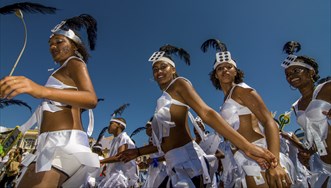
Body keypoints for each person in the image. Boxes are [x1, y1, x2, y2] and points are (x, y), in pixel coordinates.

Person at [119, 44, 276, 188]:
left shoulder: (179, 84)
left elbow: (206, 112)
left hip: (187, 165)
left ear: (173, 69)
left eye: (163, 66)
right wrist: (138, 152)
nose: (159, 71)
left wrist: (247, 147)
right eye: (155, 69)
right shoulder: (162, 100)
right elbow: (165, 142)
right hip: (173, 164)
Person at [0, 14, 100, 188]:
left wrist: (40, 90)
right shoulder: (60, 72)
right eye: (51, 44)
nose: (53, 46)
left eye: (59, 41)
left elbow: (91, 99)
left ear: (74, 46)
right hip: (52, 146)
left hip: (63, 145)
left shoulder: (74, 62)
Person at [202, 39, 294, 188]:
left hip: (261, 158)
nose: (225, 70)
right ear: (216, 75)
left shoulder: (241, 90)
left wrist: (274, 164)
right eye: (220, 69)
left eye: (228, 67)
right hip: (240, 161)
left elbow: (268, 121)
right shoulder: (225, 102)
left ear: (235, 71)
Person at [281, 41, 331, 187]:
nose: (291, 76)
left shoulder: (326, 88)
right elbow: (313, 140)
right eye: (288, 74)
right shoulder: (295, 106)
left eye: (296, 71)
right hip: (320, 165)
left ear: (311, 72)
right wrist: (293, 142)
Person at [98, 117, 139, 188]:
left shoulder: (123, 137)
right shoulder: (114, 140)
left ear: (119, 125)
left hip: (119, 176)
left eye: (111, 123)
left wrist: (101, 161)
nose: (108, 126)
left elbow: (119, 157)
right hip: (113, 175)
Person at [140, 118, 168, 188]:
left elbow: (169, 155)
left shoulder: (163, 138)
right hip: (153, 171)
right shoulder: (151, 139)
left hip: (163, 170)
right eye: (146, 127)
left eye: (148, 126)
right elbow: (153, 157)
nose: (146, 129)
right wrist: (146, 164)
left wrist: (154, 160)